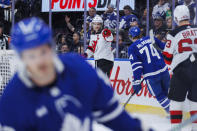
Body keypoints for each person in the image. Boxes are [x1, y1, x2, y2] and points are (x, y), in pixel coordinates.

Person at [0, 17, 153, 131]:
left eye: (42, 51)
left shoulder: (80, 70)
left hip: (105, 61)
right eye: (31, 56)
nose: (39, 61)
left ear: (52, 48)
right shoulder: (11, 102)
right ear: (21, 59)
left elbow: (117, 119)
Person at [162, 5, 197, 130]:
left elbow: (167, 58)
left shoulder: (174, 33)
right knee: (195, 102)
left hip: (182, 70)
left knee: (176, 102)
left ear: (176, 18)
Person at [128, 26, 170, 114]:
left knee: (160, 96)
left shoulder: (132, 48)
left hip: (151, 76)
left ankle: (172, 114)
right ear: (140, 34)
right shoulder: (151, 38)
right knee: (168, 93)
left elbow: (137, 66)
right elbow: (165, 48)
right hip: (164, 70)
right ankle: (177, 112)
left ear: (131, 37)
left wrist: (136, 81)